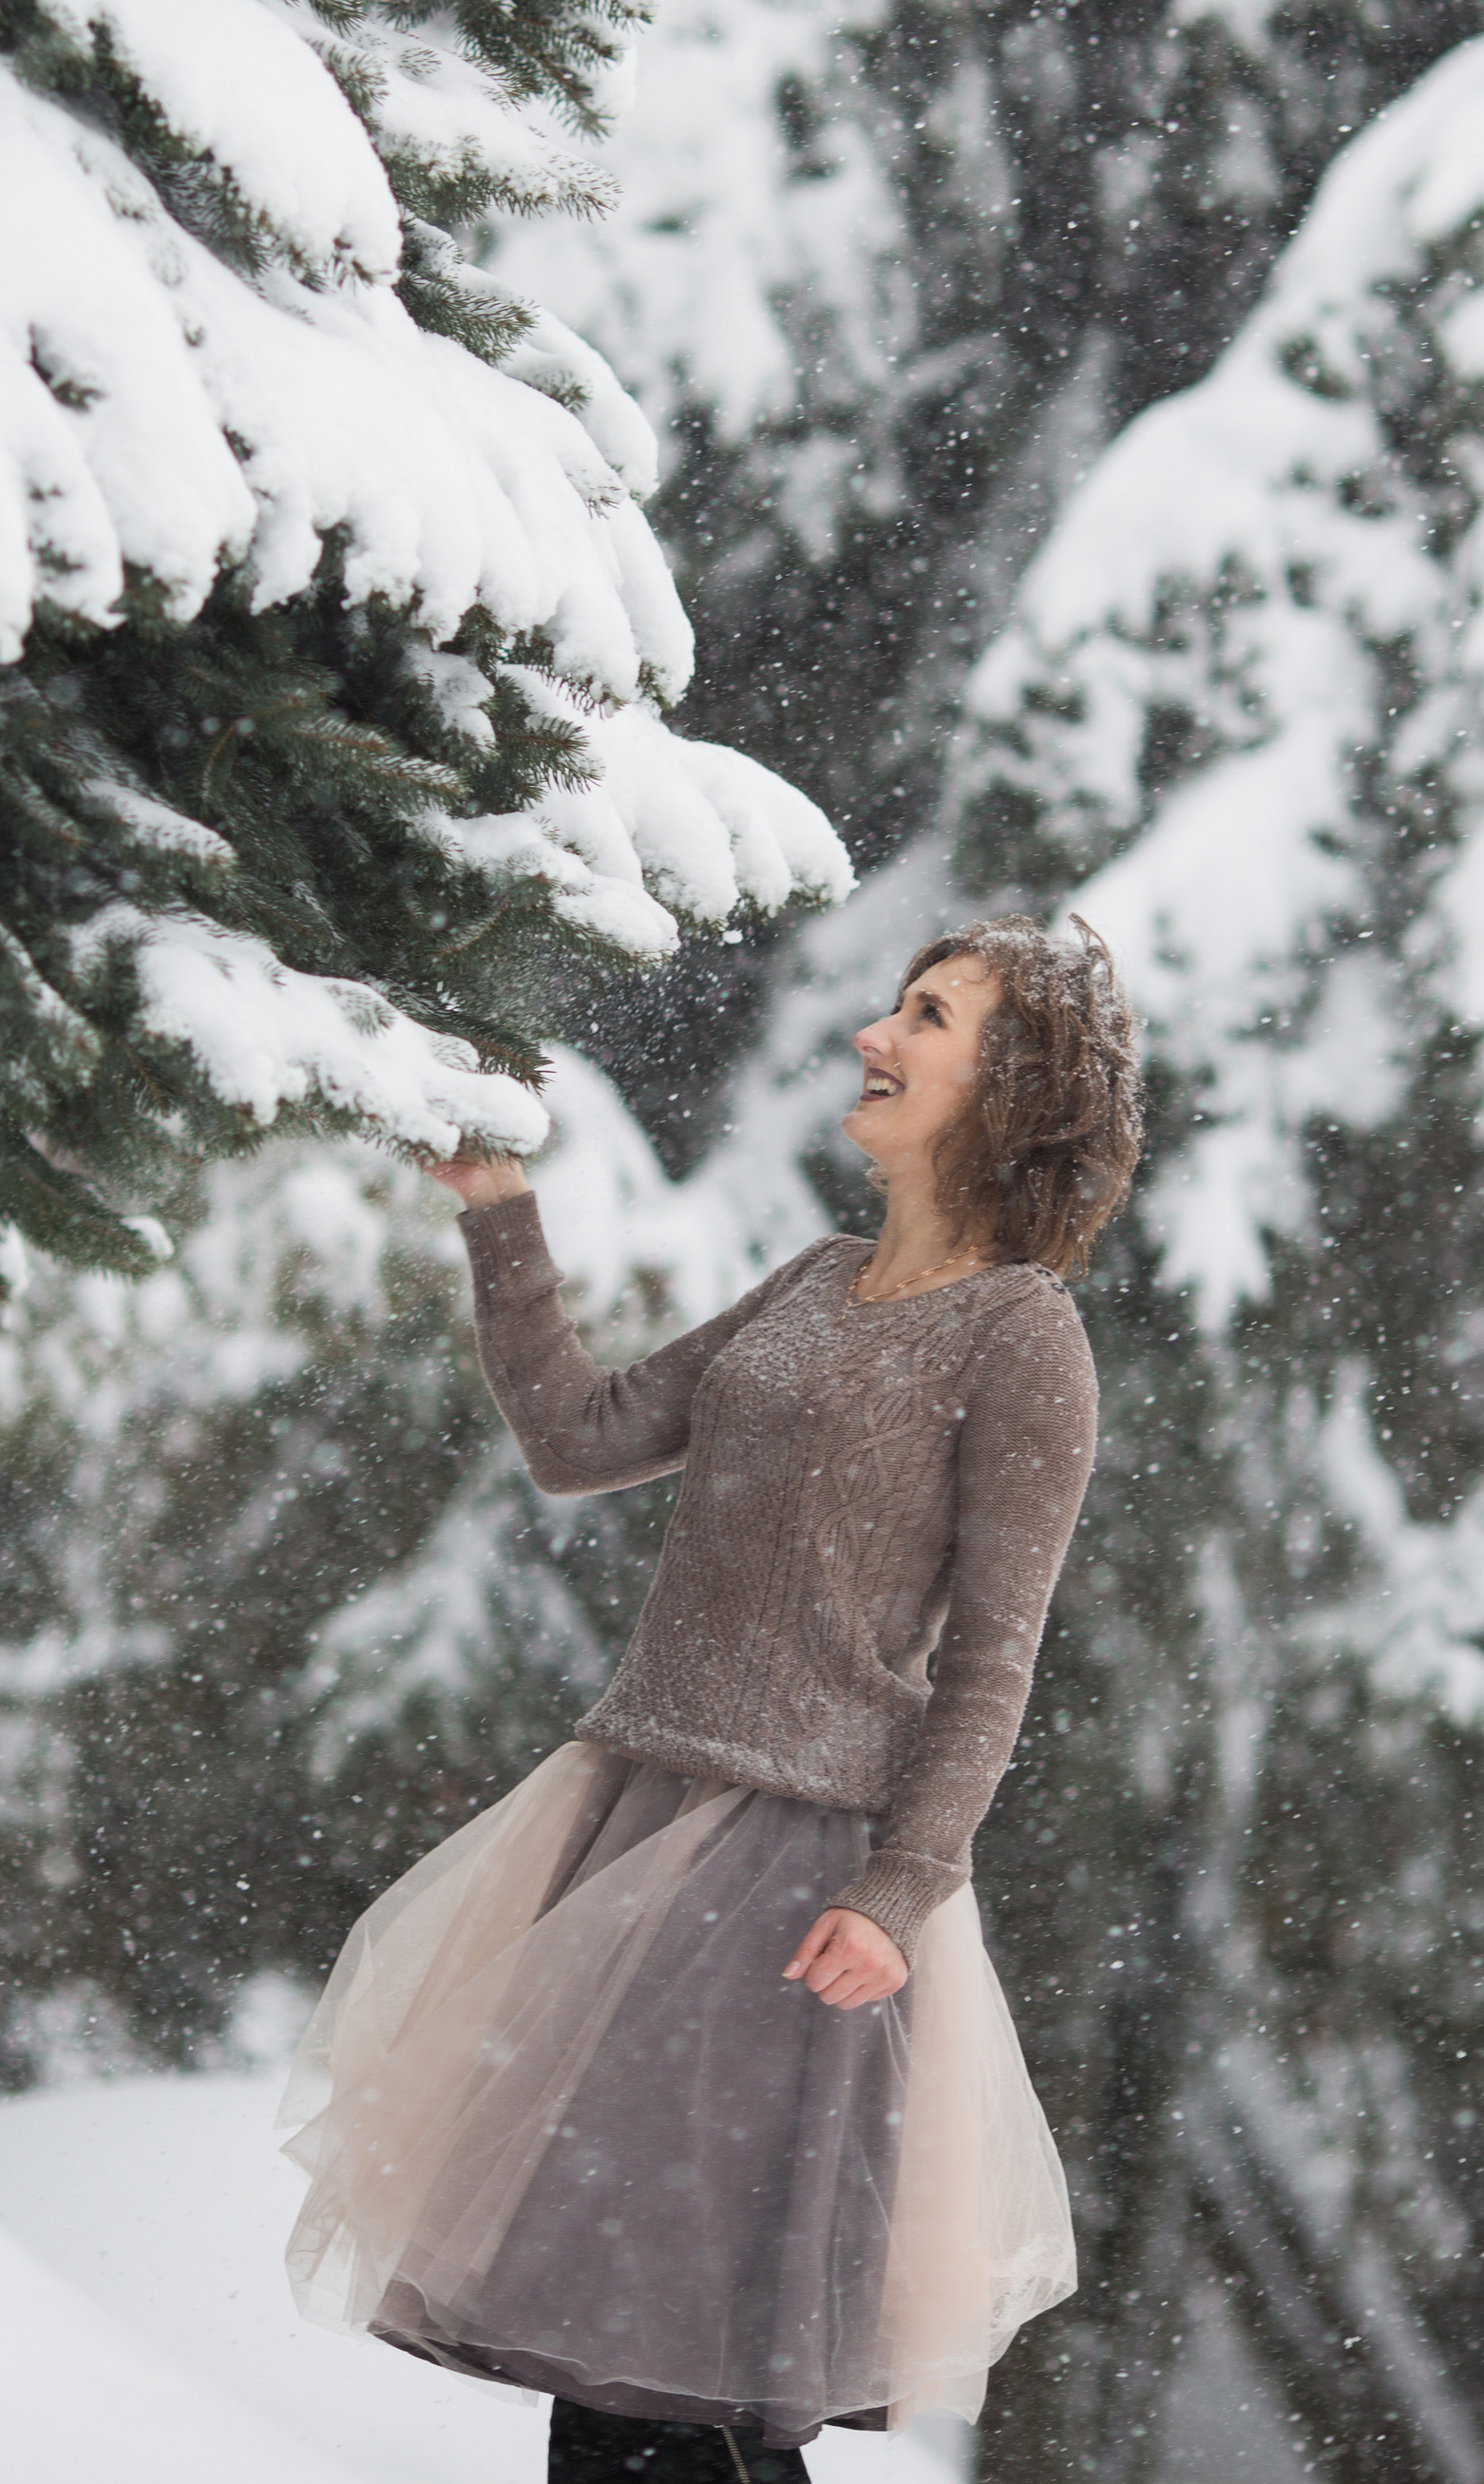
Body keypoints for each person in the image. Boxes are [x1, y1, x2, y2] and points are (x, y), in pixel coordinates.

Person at [279, 915, 1142, 2482]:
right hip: (638, 1817)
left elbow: (995, 1655)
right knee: (608, 2360)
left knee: (671, 2376)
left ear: (1013, 1088)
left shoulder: (1021, 1335)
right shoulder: (818, 1282)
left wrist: (903, 1886)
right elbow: (580, 1434)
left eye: (926, 1017)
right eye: (893, 1006)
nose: (876, 1037)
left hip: (794, 1877)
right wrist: (497, 1213)